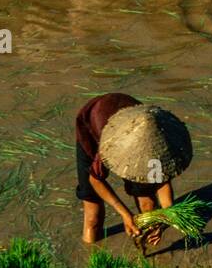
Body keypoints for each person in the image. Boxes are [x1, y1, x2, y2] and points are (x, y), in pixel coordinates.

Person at [74, 94, 193, 252]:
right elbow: (96, 180)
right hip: (92, 127)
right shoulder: (110, 146)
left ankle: (147, 252)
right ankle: (90, 255)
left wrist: (165, 219)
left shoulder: (156, 142)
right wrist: (125, 214)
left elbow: (162, 183)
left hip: (139, 127)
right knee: (93, 214)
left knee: (148, 203)